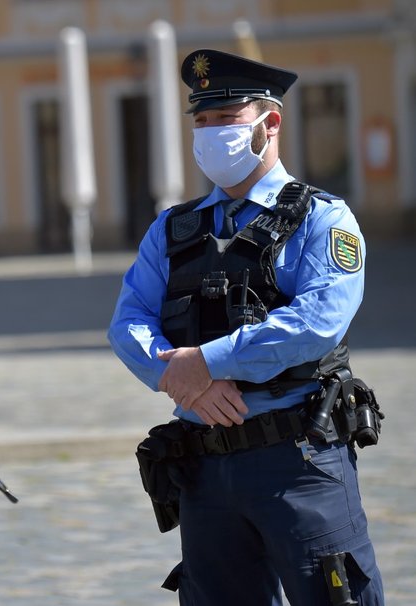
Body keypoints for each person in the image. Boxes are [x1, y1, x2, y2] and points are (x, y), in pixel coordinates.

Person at [108, 49, 385, 605]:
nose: (210, 133)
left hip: (298, 460)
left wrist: (206, 361)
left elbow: (318, 322)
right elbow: (128, 322)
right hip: (204, 467)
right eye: (201, 121)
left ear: (269, 123)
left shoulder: (321, 218)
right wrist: (183, 379)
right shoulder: (172, 229)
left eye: (226, 119)